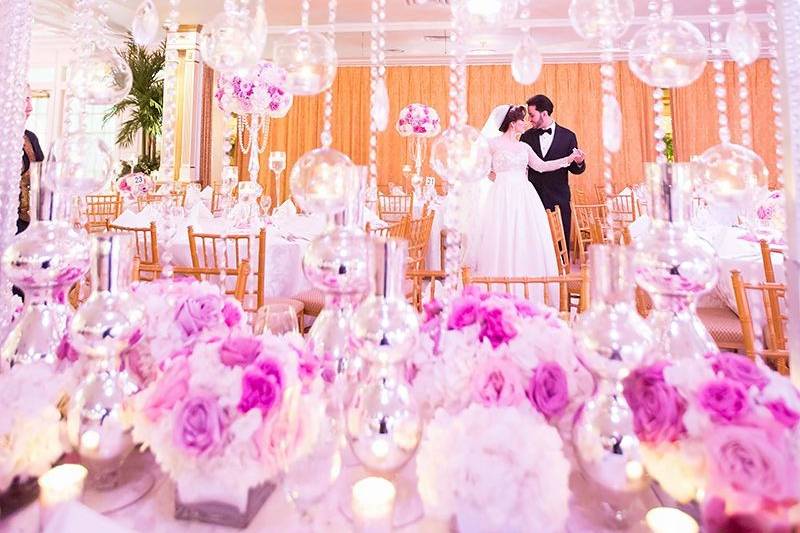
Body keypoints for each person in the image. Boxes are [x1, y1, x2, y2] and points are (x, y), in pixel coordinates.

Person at [473, 104, 582, 303]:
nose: (525, 123)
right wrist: (498, 178)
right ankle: (499, 287)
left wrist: (568, 159)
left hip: (525, 195)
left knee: (525, 236)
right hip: (501, 196)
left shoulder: (524, 147)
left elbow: (541, 166)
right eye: (522, 120)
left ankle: (528, 288)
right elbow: (479, 167)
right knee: (501, 237)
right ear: (513, 124)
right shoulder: (491, 144)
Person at [520, 95, 585, 247]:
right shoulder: (526, 137)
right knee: (533, 242)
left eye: (532, 115)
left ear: (544, 113)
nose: (530, 119)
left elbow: (575, 169)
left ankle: (562, 269)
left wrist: (579, 162)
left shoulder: (568, 136)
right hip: (533, 197)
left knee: (560, 242)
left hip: (559, 197)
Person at [18, 85, 44, 234]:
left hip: (25, 225)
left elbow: (44, 180)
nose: (30, 107)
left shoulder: (31, 138)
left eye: (30, 99)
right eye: (25, 100)